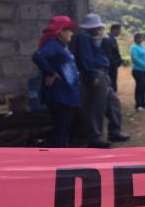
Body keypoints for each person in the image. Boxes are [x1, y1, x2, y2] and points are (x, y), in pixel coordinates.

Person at [74, 13, 130, 148]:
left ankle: (115, 131)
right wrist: (93, 75)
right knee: (96, 107)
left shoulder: (91, 38)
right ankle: (95, 138)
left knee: (113, 102)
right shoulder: (83, 38)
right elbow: (85, 59)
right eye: (97, 27)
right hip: (96, 73)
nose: (99, 30)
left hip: (103, 73)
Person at [32, 16, 80, 148]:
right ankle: (60, 155)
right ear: (60, 32)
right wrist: (50, 72)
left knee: (64, 126)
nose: (71, 33)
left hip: (66, 93)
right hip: (59, 94)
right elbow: (38, 56)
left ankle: (63, 151)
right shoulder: (52, 44)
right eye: (69, 30)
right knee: (61, 126)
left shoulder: (61, 46)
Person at [130, 32, 145, 111]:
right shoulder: (134, 47)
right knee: (139, 87)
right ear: (135, 39)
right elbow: (135, 59)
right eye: (138, 38)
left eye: (140, 38)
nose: (139, 39)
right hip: (138, 70)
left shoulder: (144, 46)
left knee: (144, 87)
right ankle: (138, 105)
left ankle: (143, 104)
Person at [102, 22, 123, 92]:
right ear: (114, 29)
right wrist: (115, 62)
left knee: (113, 82)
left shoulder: (112, 38)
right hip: (110, 66)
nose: (120, 32)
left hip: (113, 66)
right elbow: (108, 54)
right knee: (110, 84)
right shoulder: (107, 39)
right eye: (119, 30)